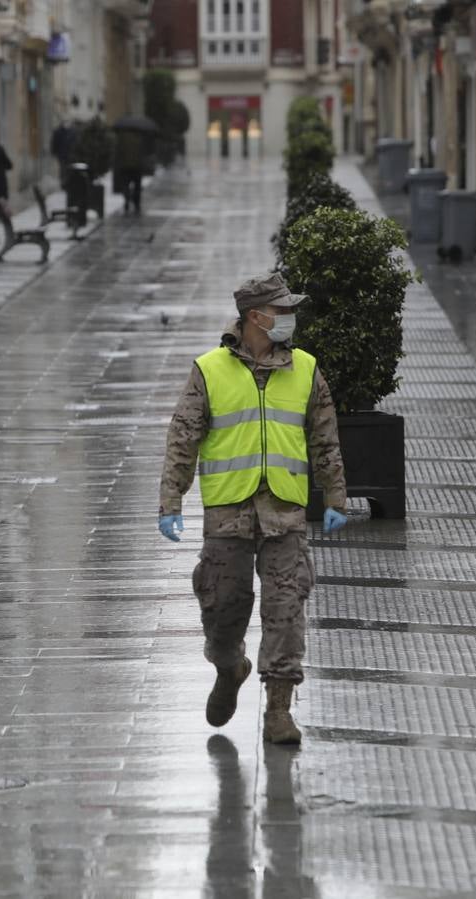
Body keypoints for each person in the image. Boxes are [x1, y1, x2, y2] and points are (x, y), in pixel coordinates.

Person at [158, 272, 347, 745]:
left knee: (286, 609)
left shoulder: (305, 369)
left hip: (285, 513)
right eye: (281, 310)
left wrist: (336, 494)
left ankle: (279, 711)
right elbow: (183, 437)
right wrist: (171, 500)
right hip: (228, 514)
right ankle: (229, 666)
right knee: (223, 608)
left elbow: (324, 436)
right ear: (255, 317)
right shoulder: (209, 370)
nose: (289, 318)